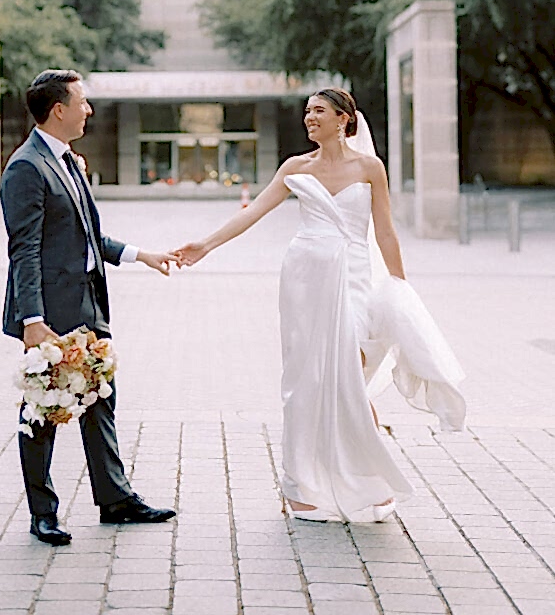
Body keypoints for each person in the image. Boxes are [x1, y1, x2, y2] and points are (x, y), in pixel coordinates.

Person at [175, 88, 465, 523]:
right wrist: (206, 244)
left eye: (319, 111)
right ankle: (300, 487)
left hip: (353, 278)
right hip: (304, 280)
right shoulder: (296, 167)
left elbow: (385, 231)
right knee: (304, 379)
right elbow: (253, 212)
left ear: (344, 119)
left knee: (349, 370)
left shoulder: (370, 168)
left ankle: (366, 476)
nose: (309, 118)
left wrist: (399, 285)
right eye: (307, 111)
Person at [1, 69, 177, 545]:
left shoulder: (69, 162)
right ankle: (43, 514)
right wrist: (33, 321)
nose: (89, 109)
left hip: (89, 304)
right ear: (58, 109)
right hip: (50, 314)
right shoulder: (27, 167)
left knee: (100, 399)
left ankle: (115, 499)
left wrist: (143, 255)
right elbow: (25, 249)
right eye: (82, 101)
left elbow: (86, 237)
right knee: (43, 409)